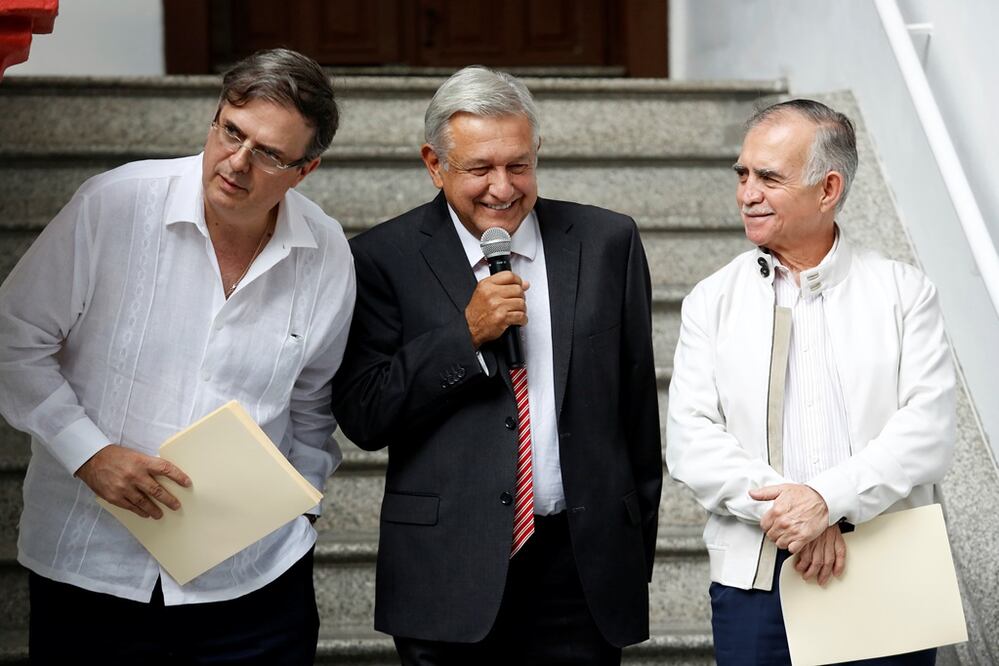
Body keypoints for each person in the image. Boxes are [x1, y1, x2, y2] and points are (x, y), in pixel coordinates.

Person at [0, 48, 355, 664]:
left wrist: (303, 507)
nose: (236, 163)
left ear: (305, 170)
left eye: (268, 153)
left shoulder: (326, 252)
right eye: (230, 131)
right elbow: (12, 339)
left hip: (256, 581)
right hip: (92, 568)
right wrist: (91, 454)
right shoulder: (115, 204)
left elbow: (312, 402)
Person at [330, 65, 662, 665]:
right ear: (435, 164)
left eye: (519, 165)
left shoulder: (607, 240)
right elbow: (365, 414)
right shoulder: (382, 257)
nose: (503, 188)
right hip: (446, 570)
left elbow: (637, 410)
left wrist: (635, 552)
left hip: (581, 568)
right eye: (479, 168)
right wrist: (466, 337)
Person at [666, 99, 955, 665]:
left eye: (769, 177)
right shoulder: (710, 300)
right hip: (757, 575)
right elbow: (691, 440)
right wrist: (796, 516)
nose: (747, 193)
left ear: (827, 189)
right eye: (743, 174)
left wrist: (827, 499)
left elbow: (928, 432)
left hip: (888, 571)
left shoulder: (904, 291)